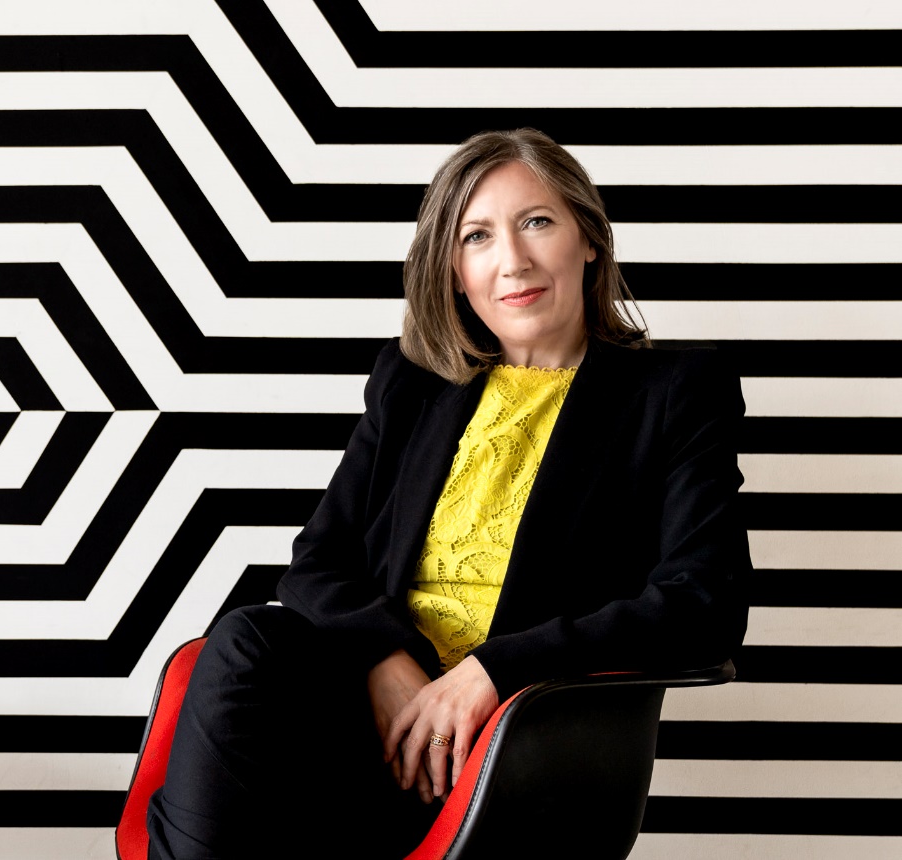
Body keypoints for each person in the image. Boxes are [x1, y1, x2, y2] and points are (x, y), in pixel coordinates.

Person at [144, 127, 752, 859]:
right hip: (358, 726)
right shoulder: (412, 382)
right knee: (246, 639)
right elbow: (315, 566)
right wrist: (387, 663)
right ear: (454, 270)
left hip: (517, 744)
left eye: (536, 222)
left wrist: (492, 671)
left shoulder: (674, 392)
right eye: (476, 236)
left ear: (588, 239)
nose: (512, 261)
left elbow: (701, 602)